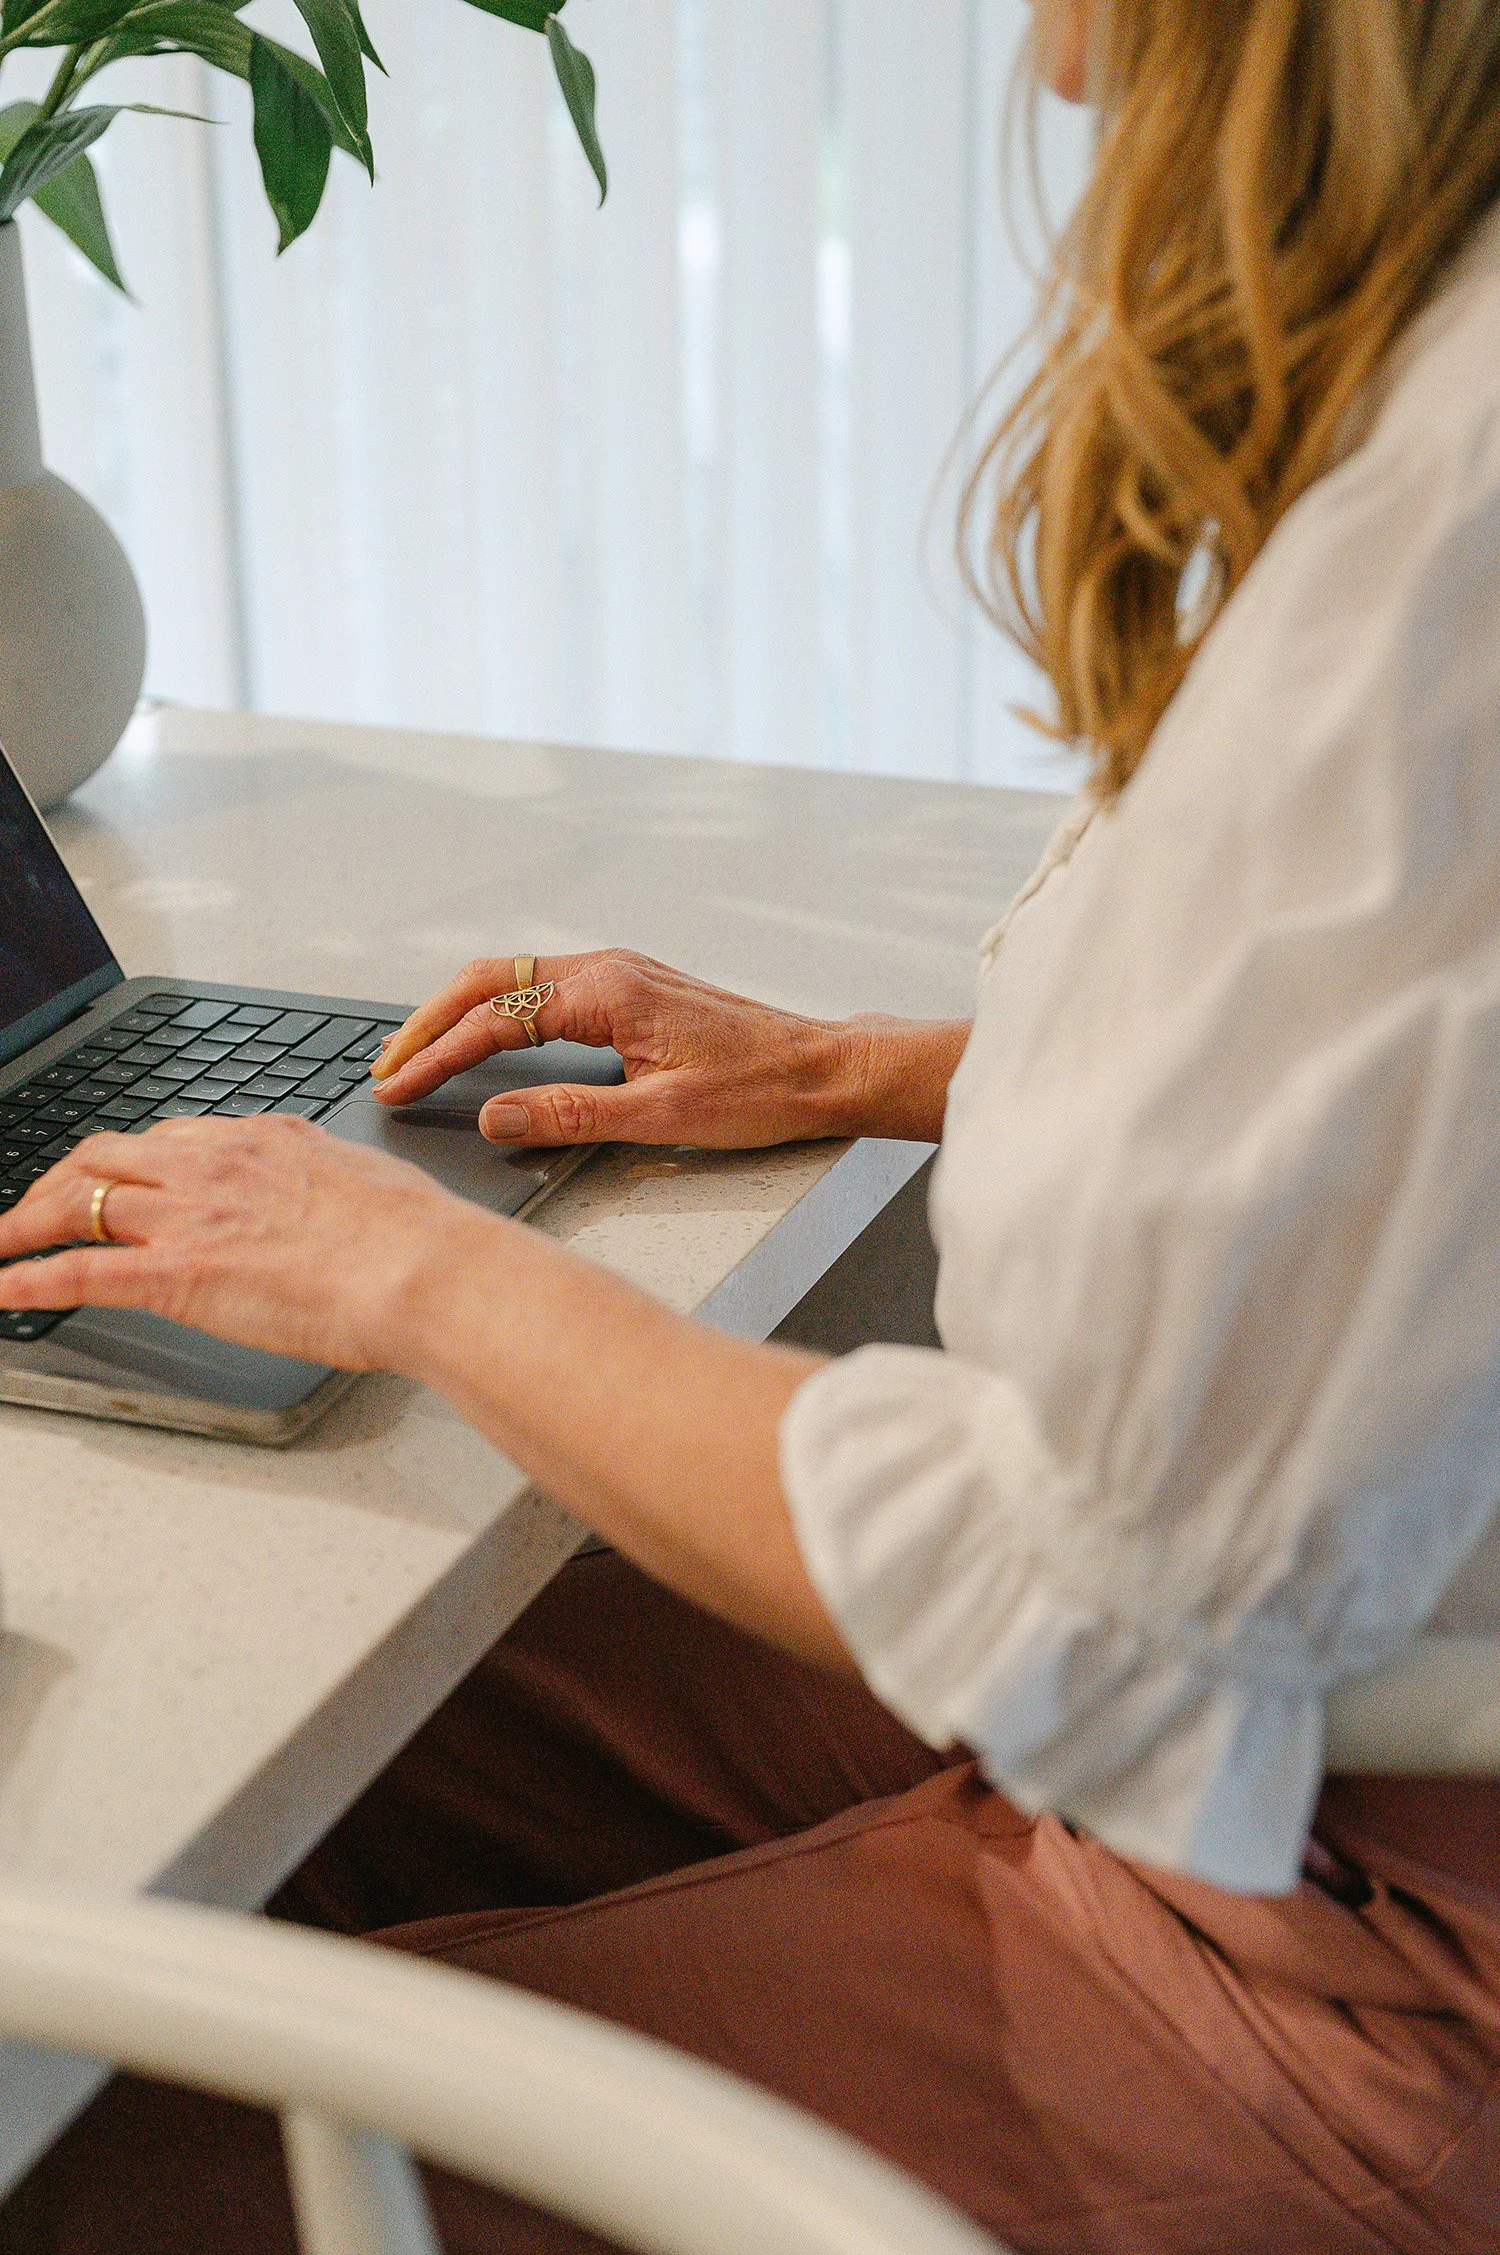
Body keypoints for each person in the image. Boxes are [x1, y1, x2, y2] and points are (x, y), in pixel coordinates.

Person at [4, 0, 1500, 2248]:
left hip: (1339, 1943)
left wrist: (404, 1263)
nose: (1054, 59)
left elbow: (1086, 1605)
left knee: (75, 2155)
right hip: (1296, 1725)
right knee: (338, 1772)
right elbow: (1398, 1116)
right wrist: (857, 1067)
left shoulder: (1448, 536)